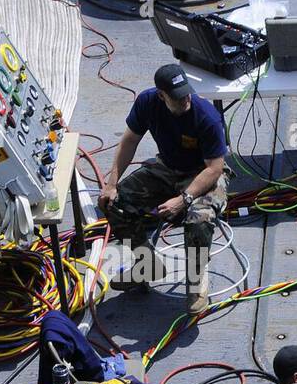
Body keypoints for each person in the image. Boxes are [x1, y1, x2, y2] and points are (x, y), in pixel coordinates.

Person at [98, 63, 228, 313]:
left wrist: (184, 199)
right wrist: (111, 184)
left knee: (198, 219)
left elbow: (214, 169)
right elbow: (129, 141)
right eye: (177, 98)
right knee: (114, 204)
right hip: (168, 167)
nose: (185, 100)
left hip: (205, 174)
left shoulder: (206, 116)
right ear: (161, 95)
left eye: (186, 93)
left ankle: (196, 278)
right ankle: (146, 264)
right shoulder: (147, 103)